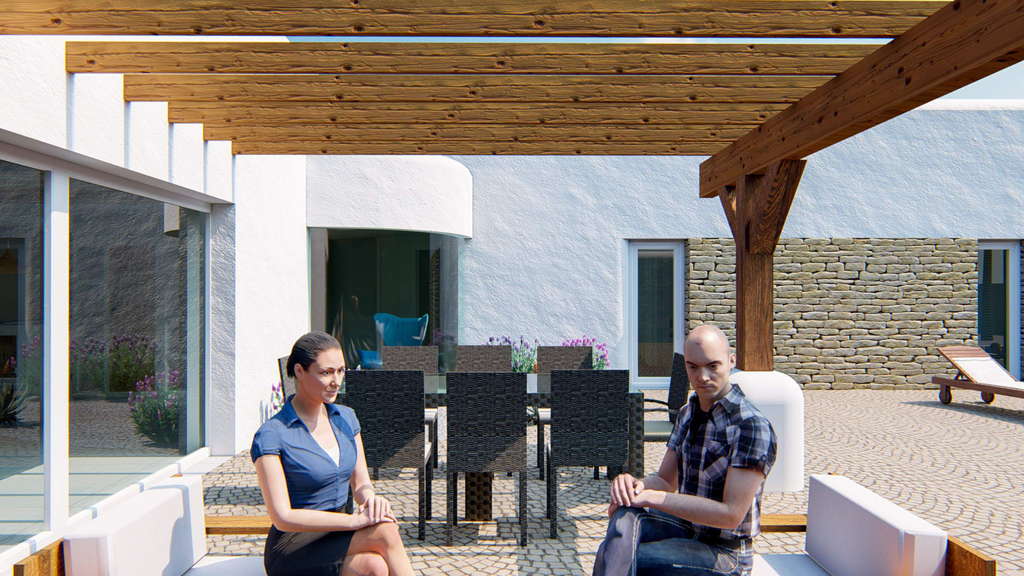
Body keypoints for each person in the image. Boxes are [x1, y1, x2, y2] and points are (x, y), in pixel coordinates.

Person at [593, 325, 777, 576]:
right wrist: (632, 487)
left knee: (629, 558)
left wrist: (651, 497)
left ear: (731, 361)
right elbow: (664, 481)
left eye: (712, 366)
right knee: (623, 519)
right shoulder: (688, 413)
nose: (702, 377)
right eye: (693, 367)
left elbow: (731, 515)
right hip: (688, 529)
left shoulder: (750, 426)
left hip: (725, 553)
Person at [252, 331, 414, 576]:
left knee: (375, 567)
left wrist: (371, 500)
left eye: (340, 371)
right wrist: (353, 521)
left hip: (336, 534)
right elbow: (282, 517)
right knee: (385, 531)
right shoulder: (272, 434)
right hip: (294, 544)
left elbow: (361, 484)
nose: (336, 381)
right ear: (299, 371)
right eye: (326, 372)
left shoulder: (346, 418)